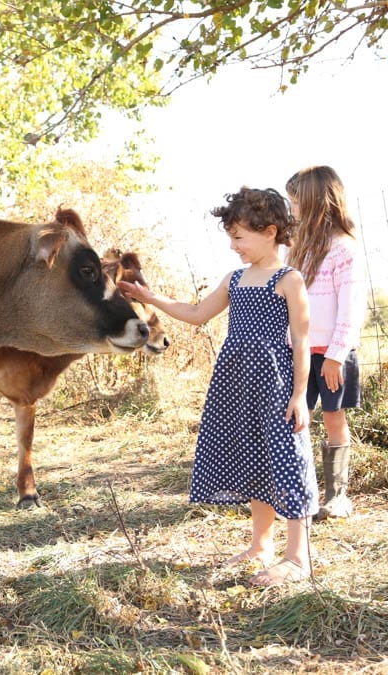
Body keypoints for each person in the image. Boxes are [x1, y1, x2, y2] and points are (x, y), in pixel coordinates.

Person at [119, 187, 318, 586]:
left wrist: (299, 395)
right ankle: (260, 545)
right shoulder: (236, 279)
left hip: (275, 388)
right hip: (236, 385)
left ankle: (298, 557)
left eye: (239, 237)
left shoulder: (288, 280)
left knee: (287, 461)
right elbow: (195, 313)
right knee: (254, 459)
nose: (233, 246)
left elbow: (301, 341)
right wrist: (149, 297)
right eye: (230, 237)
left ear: (270, 231)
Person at [285, 166, 368, 521]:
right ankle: (297, 491)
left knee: (334, 418)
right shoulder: (296, 250)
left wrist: (336, 355)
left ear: (316, 203)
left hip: (333, 354)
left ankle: (337, 496)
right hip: (298, 352)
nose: (292, 211)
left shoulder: (343, 249)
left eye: (296, 203)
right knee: (292, 418)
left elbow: (350, 307)